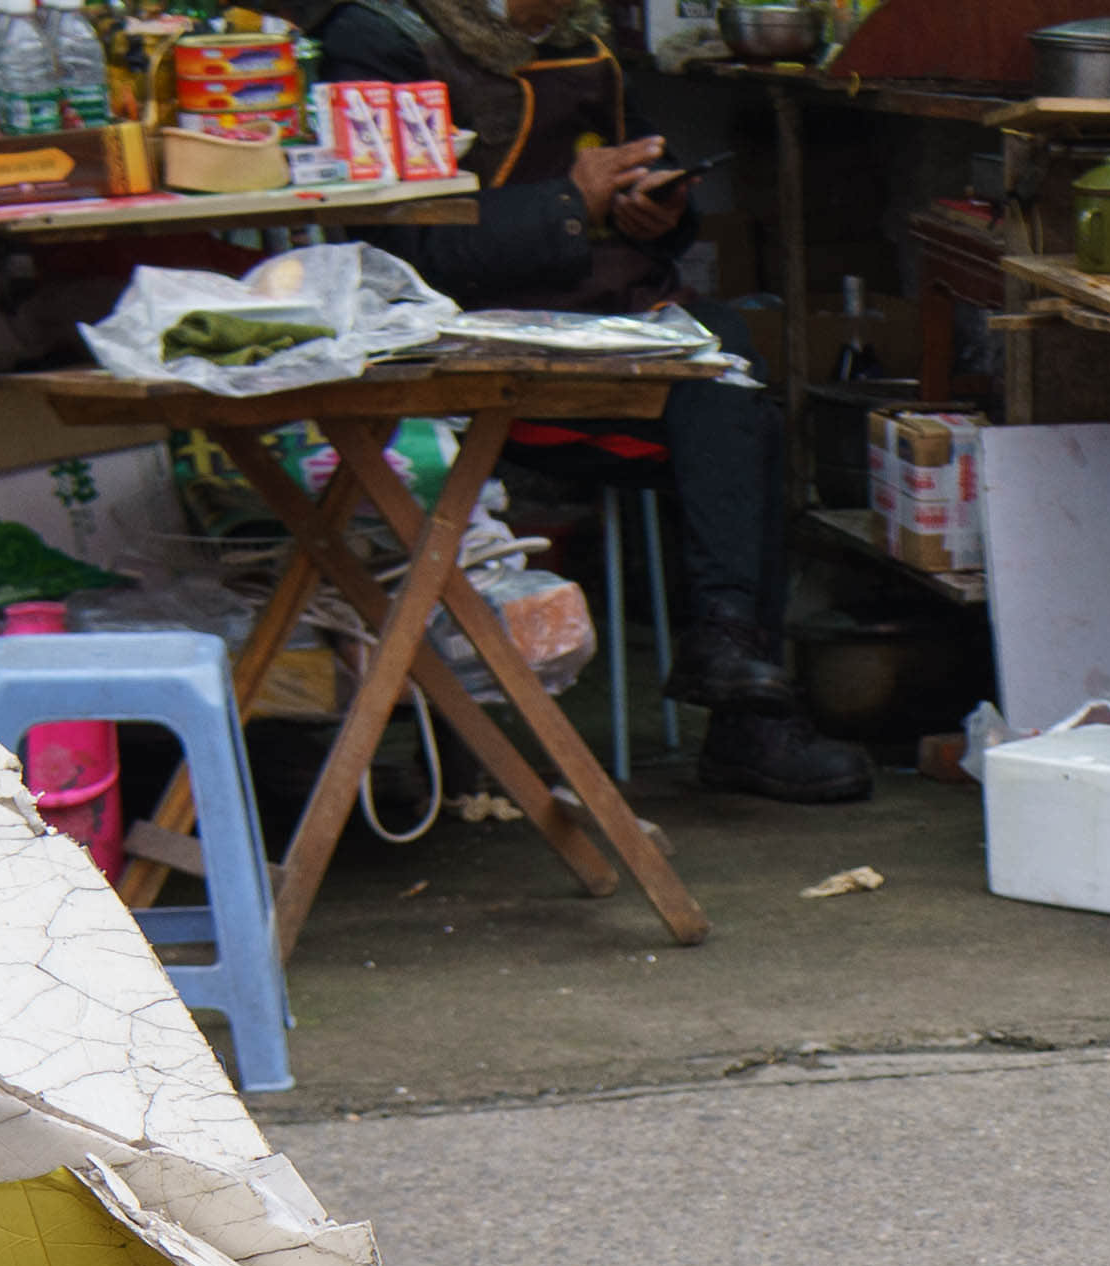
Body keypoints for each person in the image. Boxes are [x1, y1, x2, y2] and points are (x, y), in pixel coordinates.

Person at [305, 0, 869, 799]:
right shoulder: (379, 37)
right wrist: (569, 202)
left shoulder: (578, 41)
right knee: (731, 409)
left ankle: (731, 656)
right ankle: (743, 708)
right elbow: (396, 245)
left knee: (729, 371)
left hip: (599, 325)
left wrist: (655, 208)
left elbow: (646, 174)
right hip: (464, 348)